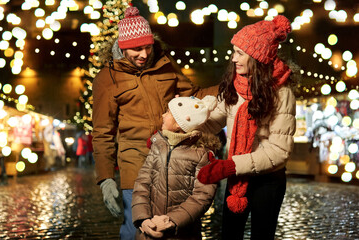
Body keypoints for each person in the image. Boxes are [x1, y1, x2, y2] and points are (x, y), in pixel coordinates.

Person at [92, 6, 218, 239]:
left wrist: (229, 88)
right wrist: (105, 178)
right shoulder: (107, 78)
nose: (143, 54)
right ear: (122, 47)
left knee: (178, 227)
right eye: (136, 49)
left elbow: (194, 95)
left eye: (147, 47)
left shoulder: (165, 66)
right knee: (136, 229)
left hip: (173, 160)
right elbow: (102, 132)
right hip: (135, 163)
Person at [197, 15, 296, 240]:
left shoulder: (282, 93)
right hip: (238, 176)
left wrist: (229, 166)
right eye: (234, 52)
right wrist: (178, 131)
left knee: (262, 235)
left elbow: (278, 152)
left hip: (267, 180)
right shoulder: (236, 85)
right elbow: (213, 121)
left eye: (239, 53)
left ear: (257, 56)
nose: (233, 59)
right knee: (230, 234)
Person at [132, 96, 219, 239]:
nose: (163, 115)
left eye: (168, 112)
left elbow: (202, 196)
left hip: (182, 233)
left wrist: (171, 220)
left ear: (179, 124)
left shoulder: (202, 154)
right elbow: (142, 184)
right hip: (149, 230)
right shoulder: (157, 145)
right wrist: (143, 219)